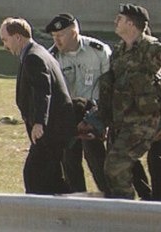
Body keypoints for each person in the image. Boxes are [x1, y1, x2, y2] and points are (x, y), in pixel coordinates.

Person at [98, 3, 161, 199]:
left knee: (115, 166)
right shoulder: (120, 50)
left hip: (142, 121)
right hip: (120, 120)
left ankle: (126, 211)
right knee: (117, 169)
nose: (115, 22)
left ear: (131, 24)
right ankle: (132, 206)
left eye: (119, 19)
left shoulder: (150, 46)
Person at [0, 17, 75, 194]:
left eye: (5, 40)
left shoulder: (34, 57)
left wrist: (39, 122)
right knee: (52, 179)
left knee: (33, 174)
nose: (4, 45)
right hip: (55, 130)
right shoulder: (37, 53)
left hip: (50, 131)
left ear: (18, 37)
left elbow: (43, 91)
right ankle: (69, 213)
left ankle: (43, 217)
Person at [45, 13, 111, 194]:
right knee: (70, 161)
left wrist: (99, 118)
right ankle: (76, 200)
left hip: (94, 113)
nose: (57, 40)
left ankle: (110, 197)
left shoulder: (98, 51)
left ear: (74, 32)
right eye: (54, 36)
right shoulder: (52, 57)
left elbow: (109, 86)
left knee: (98, 159)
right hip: (68, 115)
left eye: (61, 35)